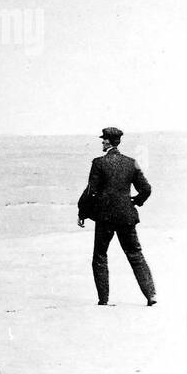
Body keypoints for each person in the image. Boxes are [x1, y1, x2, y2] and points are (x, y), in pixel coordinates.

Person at [76, 127, 155, 306]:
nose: (102, 142)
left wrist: (82, 212)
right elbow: (146, 189)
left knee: (100, 256)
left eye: (103, 139)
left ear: (108, 142)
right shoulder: (132, 163)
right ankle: (151, 295)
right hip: (126, 215)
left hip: (105, 217)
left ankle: (103, 300)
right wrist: (135, 201)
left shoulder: (99, 163)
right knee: (135, 254)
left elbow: (91, 191)